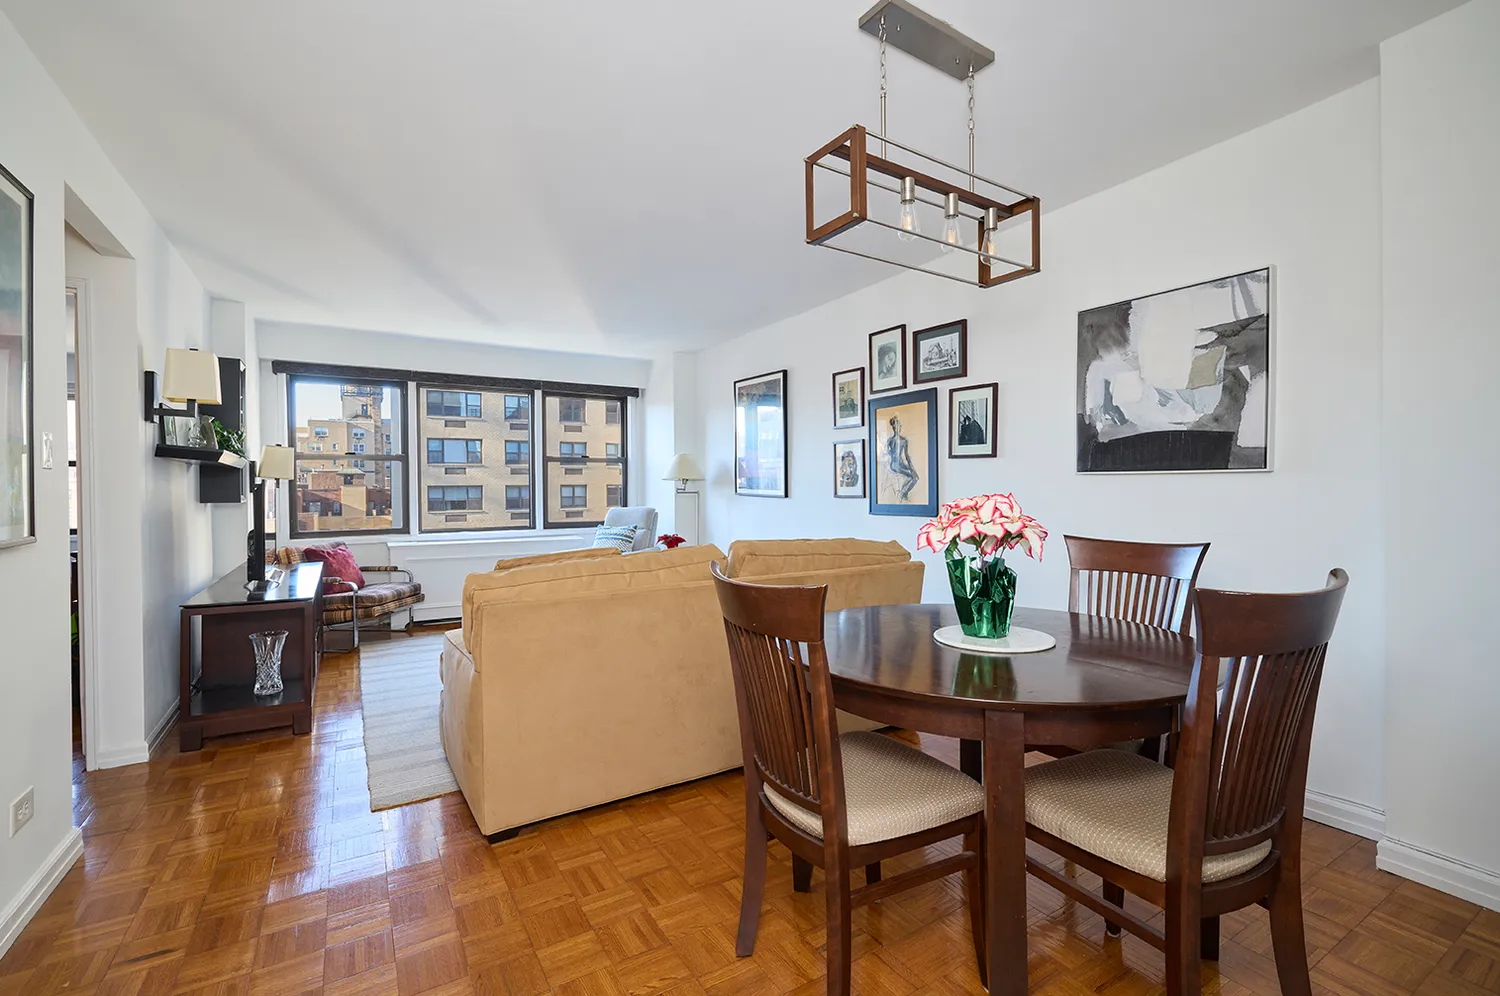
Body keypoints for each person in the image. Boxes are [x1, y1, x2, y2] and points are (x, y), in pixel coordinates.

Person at [884, 415, 919, 501]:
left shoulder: (904, 440)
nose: (898, 427)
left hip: (901, 463)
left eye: (899, 425)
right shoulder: (890, 440)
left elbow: (906, 456)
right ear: (893, 427)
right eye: (895, 425)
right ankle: (903, 493)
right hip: (895, 465)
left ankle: (904, 492)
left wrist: (911, 467)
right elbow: (885, 454)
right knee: (911, 477)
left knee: (916, 477)